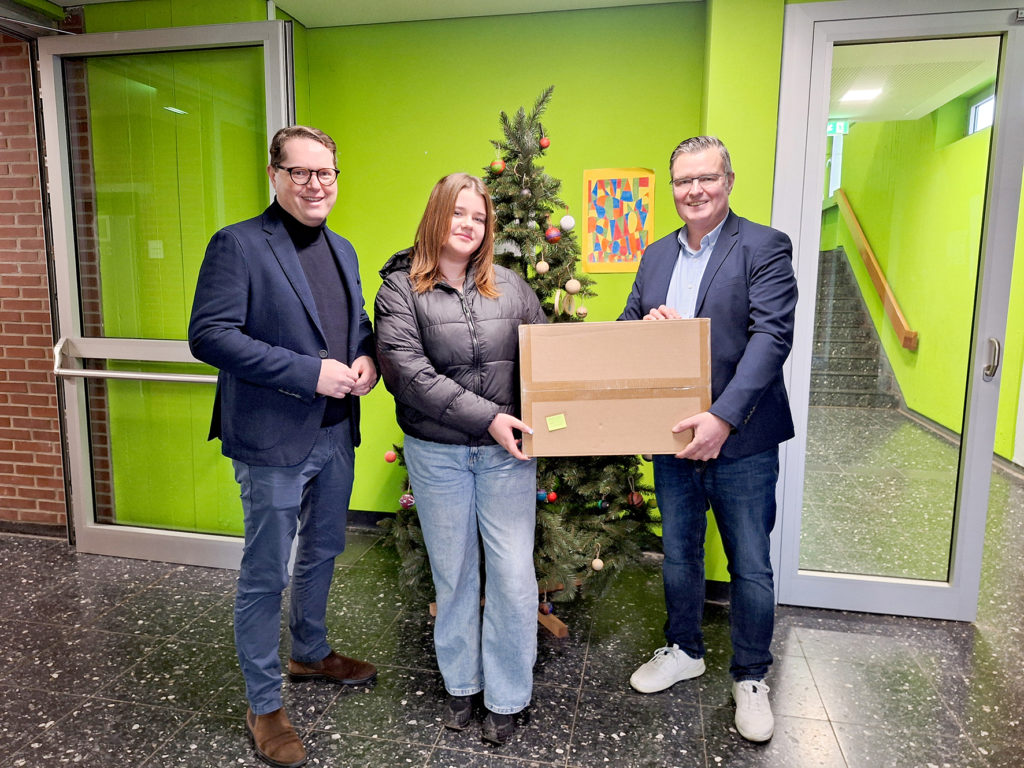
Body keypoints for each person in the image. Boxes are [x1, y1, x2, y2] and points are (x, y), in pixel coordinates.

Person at [189, 125, 378, 768]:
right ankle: (264, 704)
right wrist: (308, 373)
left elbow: (358, 327)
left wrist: (367, 359)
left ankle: (310, 652)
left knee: (324, 549)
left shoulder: (343, 249)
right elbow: (210, 335)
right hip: (272, 438)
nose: (315, 185)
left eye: (325, 173)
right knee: (267, 570)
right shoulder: (239, 244)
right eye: (300, 172)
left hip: (336, 431)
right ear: (275, 175)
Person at [619, 135, 797, 742]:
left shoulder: (764, 246)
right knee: (679, 553)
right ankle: (684, 649)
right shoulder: (654, 257)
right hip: (672, 437)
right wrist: (645, 327)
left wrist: (722, 418)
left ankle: (750, 676)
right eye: (683, 181)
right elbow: (625, 328)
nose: (694, 190)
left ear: (728, 181)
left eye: (706, 178)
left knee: (750, 563)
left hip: (741, 439)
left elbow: (771, 338)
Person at [374, 172, 545, 746]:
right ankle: (463, 685)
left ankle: (507, 696)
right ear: (436, 216)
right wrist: (489, 416)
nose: (469, 224)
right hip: (437, 457)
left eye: (479, 216)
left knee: (514, 578)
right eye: (458, 212)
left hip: (507, 458)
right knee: (454, 576)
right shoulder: (399, 290)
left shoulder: (513, 288)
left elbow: (548, 362)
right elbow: (409, 376)